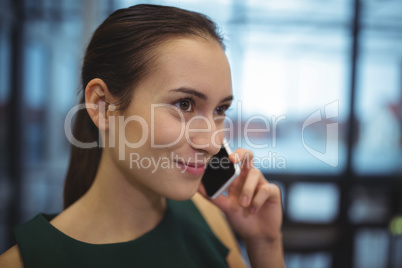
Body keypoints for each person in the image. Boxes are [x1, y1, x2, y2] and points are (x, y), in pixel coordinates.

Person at [0, 4, 284, 268]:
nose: (212, 143)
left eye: (221, 109)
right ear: (102, 106)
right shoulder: (26, 262)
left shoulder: (206, 217)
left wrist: (265, 243)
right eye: (184, 104)